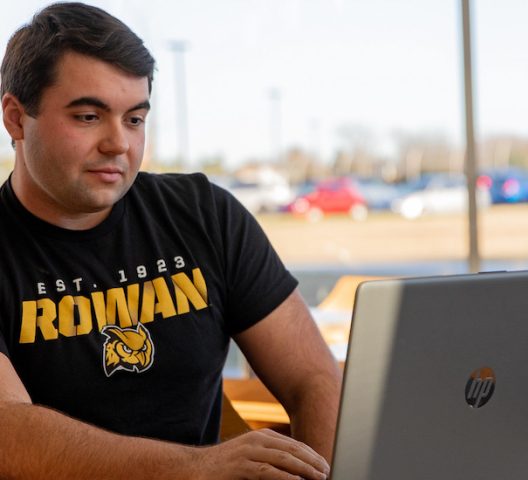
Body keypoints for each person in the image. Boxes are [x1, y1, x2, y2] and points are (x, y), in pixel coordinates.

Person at [0, 2, 342, 479]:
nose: (118, 143)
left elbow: (317, 379)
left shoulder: (203, 214)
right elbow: (9, 434)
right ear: (16, 118)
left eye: (135, 119)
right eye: (88, 117)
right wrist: (196, 469)